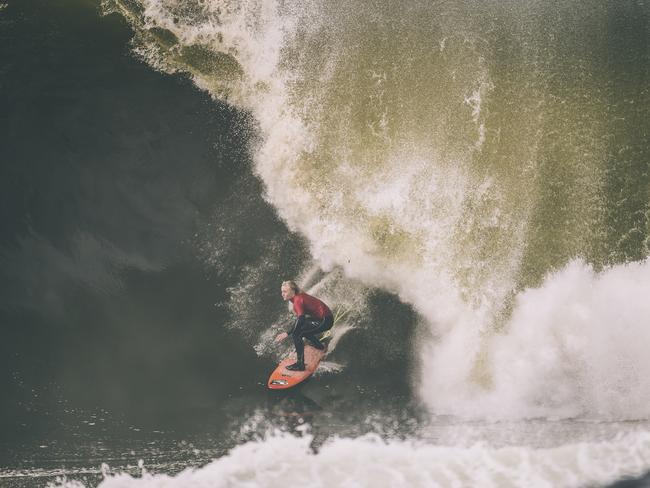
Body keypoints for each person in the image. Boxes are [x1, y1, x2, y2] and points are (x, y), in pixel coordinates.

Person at [274, 280, 333, 371]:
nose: (282, 294)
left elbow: (301, 319)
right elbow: (301, 320)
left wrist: (287, 333)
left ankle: (300, 365)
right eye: (282, 291)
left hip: (325, 321)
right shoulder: (297, 298)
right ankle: (319, 346)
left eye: (285, 291)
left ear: (292, 291)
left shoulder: (297, 300)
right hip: (322, 318)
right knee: (301, 330)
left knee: (297, 334)